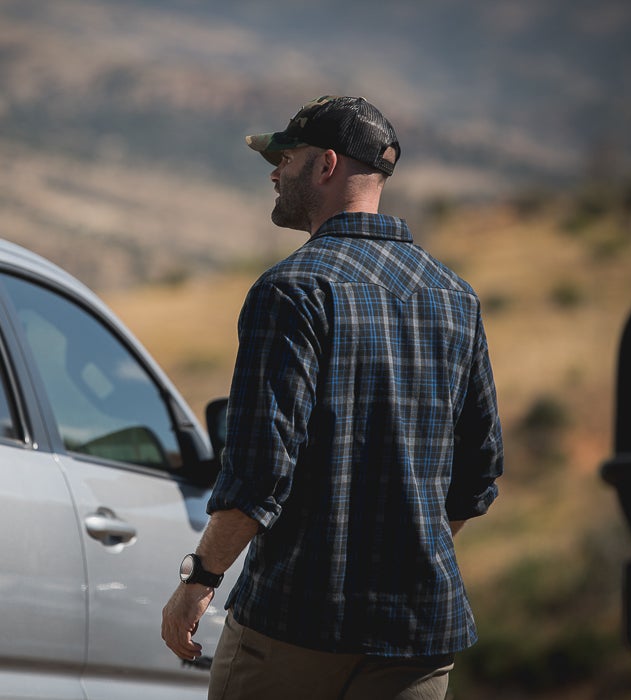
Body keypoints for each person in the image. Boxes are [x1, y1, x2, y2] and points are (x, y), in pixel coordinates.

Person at [162, 95, 504, 700]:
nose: (274, 171)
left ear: (325, 165)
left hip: (298, 624)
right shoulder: (457, 297)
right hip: (421, 634)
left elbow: (260, 471)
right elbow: (479, 472)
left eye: (285, 157)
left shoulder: (291, 290)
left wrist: (201, 577)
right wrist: (409, 550)